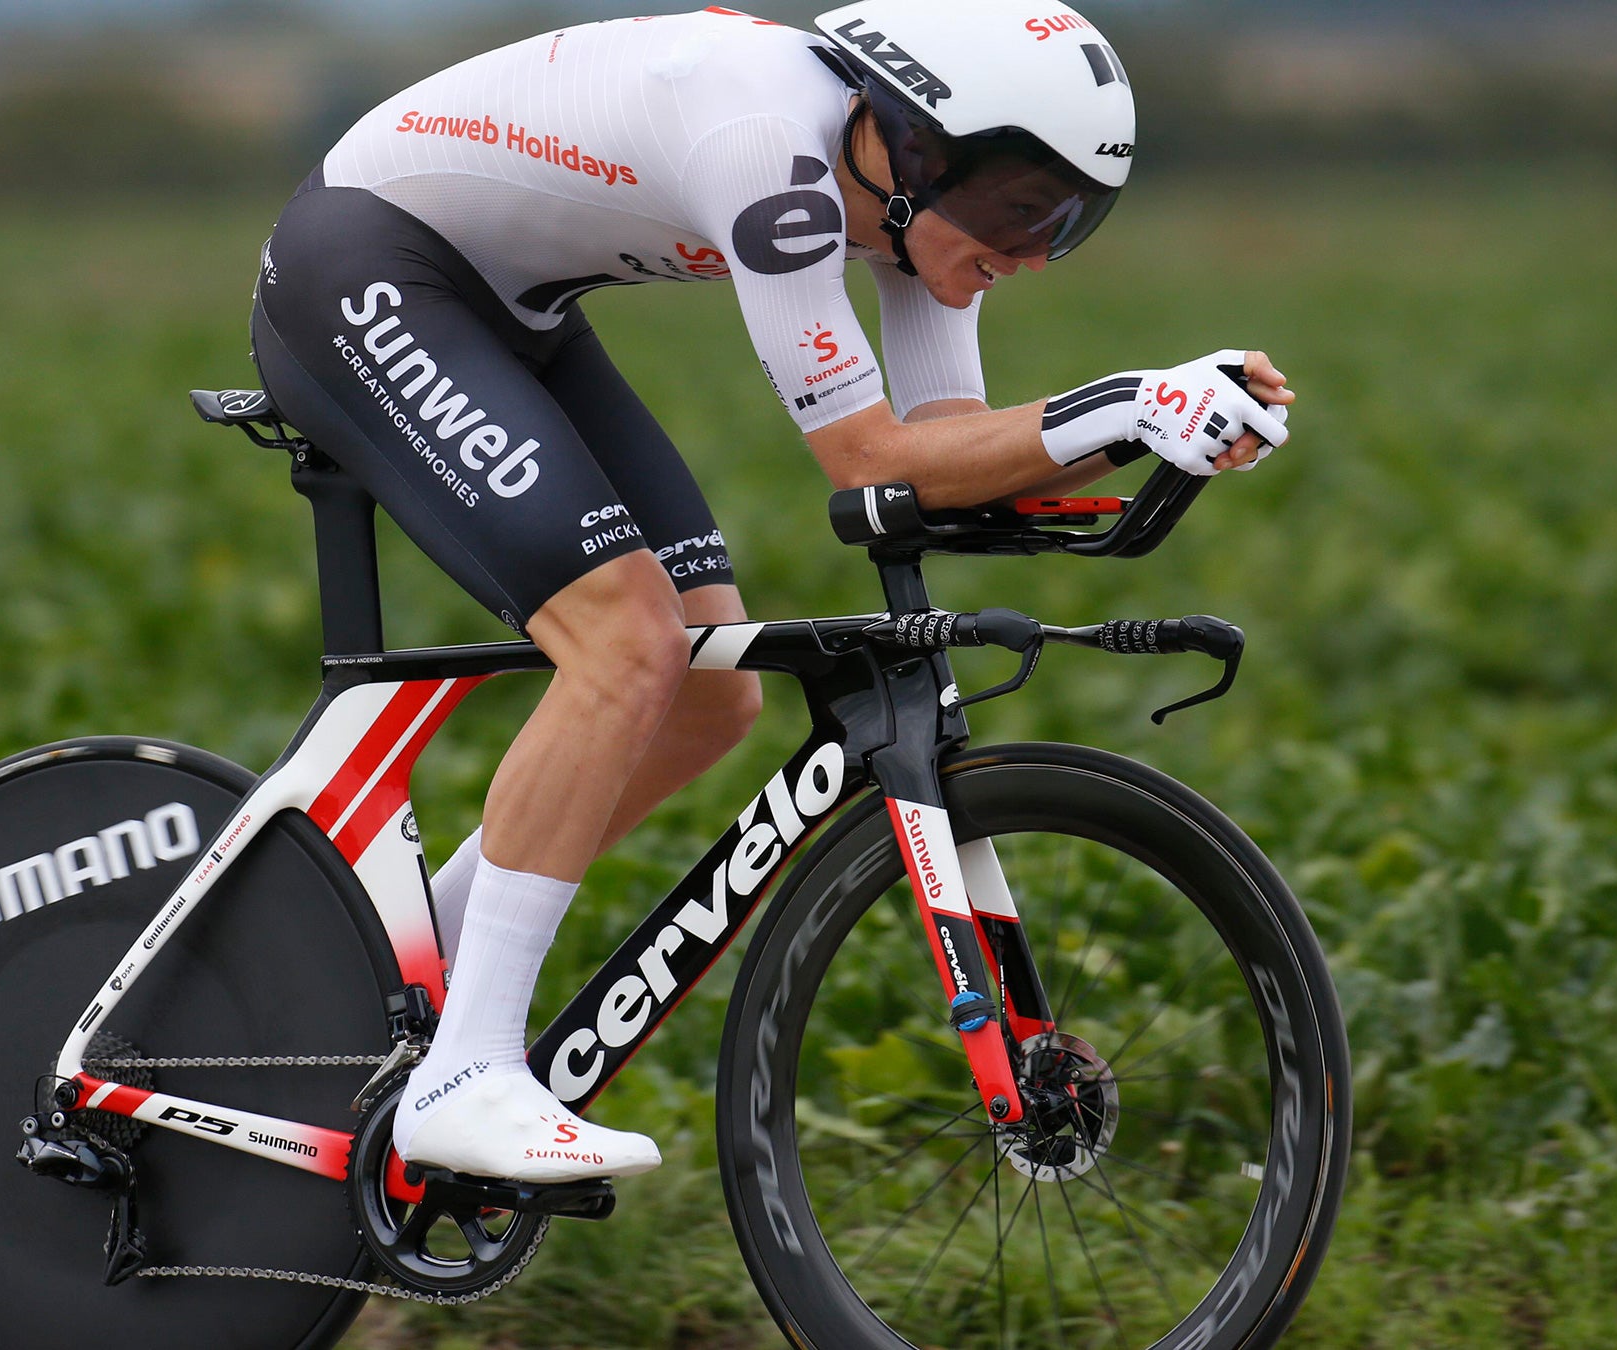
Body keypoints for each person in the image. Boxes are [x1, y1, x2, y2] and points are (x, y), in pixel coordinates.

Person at [248, 0, 1296, 1184]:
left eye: (1070, 220)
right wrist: (1124, 405)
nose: (1032, 251)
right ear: (913, 144)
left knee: (710, 691)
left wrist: (1153, 431)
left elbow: (949, 454)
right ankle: (463, 1069)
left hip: (508, 309)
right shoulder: (770, 154)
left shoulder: (917, 223)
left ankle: (395, 963)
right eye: (1021, 207)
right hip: (366, 270)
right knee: (629, 644)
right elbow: (869, 462)